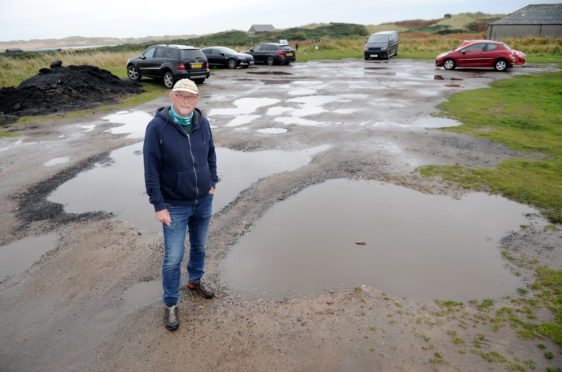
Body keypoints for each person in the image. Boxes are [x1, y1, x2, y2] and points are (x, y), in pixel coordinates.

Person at [143, 78, 218, 331]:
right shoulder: (157, 127)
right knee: (173, 258)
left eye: (191, 97)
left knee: (199, 246)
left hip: (203, 200)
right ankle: (171, 303)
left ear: (197, 100)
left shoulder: (202, 122)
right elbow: (150, 169)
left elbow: (210, 153)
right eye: (181, 96)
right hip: (174, 204)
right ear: (171, 97)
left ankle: (195, 281)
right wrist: (158, 205)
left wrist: (212, 180)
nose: (186, 101)